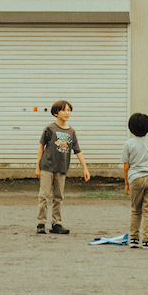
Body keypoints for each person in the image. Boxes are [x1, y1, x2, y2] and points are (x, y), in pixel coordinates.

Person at [37, 99, 90, 235]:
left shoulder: (71, 131)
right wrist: (38, 167)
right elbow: (41, 146)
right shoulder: (50, 129)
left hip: (62, 168)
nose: (67, 113)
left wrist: (85, 168)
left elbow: (77, 150)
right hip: (47, 167)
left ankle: (56, 223)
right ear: (56, 113)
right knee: (43, 195)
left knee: (59, 196)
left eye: (69, 110)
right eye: (64, 110)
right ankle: (41, 223)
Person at [121, 112, 148, 249]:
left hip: (135, 178)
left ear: (131, 127)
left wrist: (126, 184)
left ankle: (134, 239)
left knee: (136, 210)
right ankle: (147, 240)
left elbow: (126, 167)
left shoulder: (128, 144)